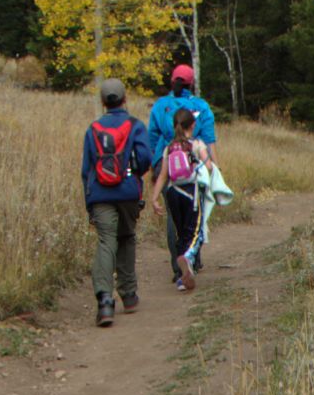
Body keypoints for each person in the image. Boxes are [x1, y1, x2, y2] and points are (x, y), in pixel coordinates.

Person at [81, 76, 152, 327]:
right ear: (125, 99)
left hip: (100, 194)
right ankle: (129, 295)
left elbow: (86, 168)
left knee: (105, 241)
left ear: (103, 103)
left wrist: (89, 201)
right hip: (128, 192)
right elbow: (145, 158)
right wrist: (133, 176)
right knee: (126, 237)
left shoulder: (93, 129)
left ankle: (104, 302)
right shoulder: (135, 126)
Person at [147, 64, 219, 272]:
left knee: (173, 214)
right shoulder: (201, 106)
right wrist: (216, 167)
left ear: (172, 81)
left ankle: (177, 266)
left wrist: (155, 165)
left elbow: (152, 137)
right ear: (191, 83)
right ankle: (192, 258)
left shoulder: (161, 106)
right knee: (195, 212)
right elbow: (209, 139)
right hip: (194, 163)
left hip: (167, 162)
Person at [151, 107, 210, 290]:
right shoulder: (196, 144)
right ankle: (189, 257)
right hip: (191, 192)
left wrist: (154, 198)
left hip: (172, 193)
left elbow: (162, 175)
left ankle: (182, 277)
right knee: (196, 232)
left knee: (180, 233)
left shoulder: (169, 148)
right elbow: (208, 167)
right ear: (193, 125)